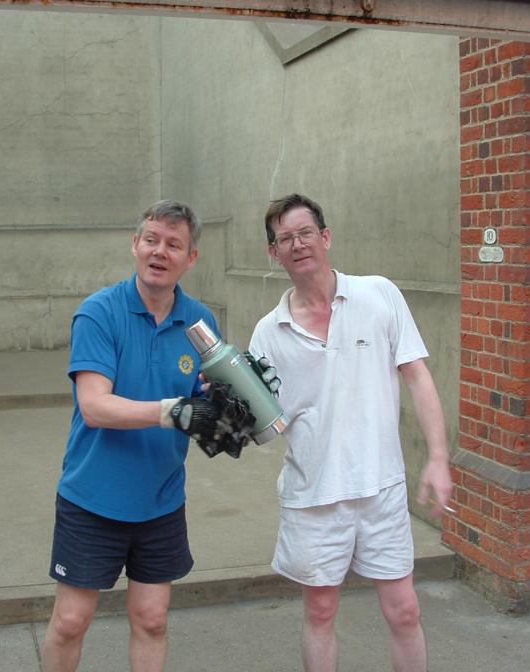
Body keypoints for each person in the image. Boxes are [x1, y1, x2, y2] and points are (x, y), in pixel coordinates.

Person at [43, 200, 253, 672]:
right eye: (152, 240)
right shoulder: (99, 313)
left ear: (190, 258)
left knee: (153, 619)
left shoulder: (200, 323)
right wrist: (174, 411)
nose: (160, 251)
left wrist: (226, 408)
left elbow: (210, 396)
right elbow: (95, 406)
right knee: (72, 620)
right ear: (136, 245)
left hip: (160, 500)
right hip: (92, 498)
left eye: (173, 244)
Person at [248, 194, 453, 672]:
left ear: (325, 237)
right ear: (273, 253)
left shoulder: (378, 294)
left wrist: (439, 457)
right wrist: (232, 414)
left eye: (305, 233)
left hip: (381, 488)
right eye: (285, 239)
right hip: (314, 494)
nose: (297, 244)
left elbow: (417, 376)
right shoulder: (267, 333)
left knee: (405, 610)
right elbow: (267, 427)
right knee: (320, 611)